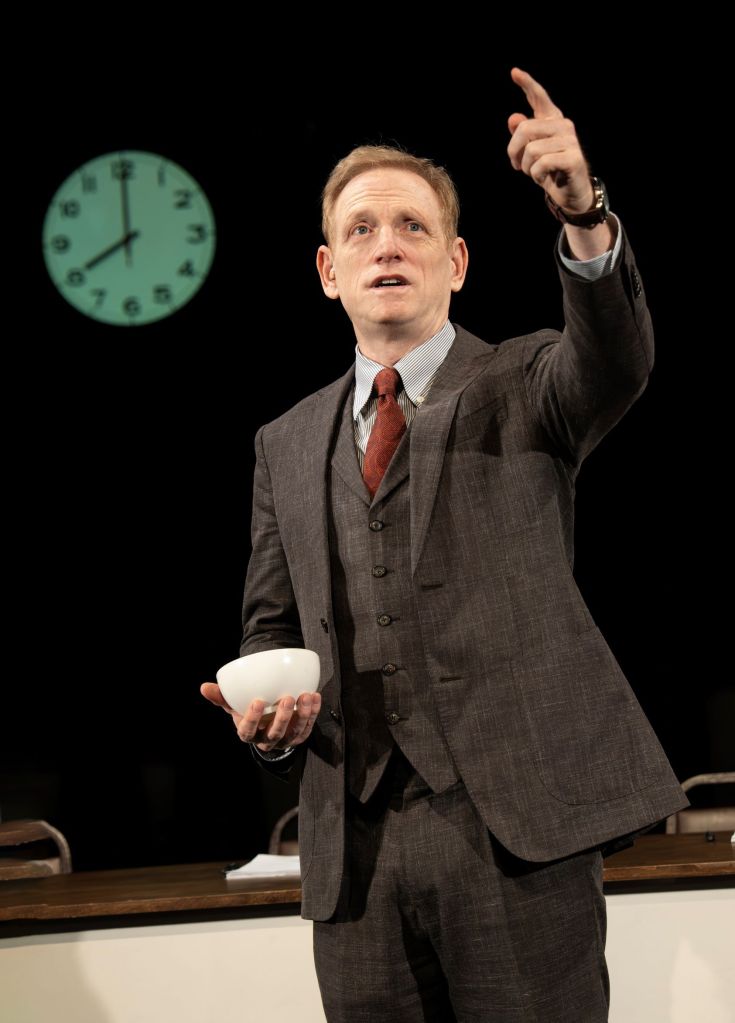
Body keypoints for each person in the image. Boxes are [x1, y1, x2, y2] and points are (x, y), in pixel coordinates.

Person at [202, 66, 688, 1022]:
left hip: (513, 832)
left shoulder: (528, 380)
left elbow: (616, 356)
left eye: (413, 228)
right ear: (327, 270)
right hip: (355, 848)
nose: (388, 246)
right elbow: (269, 627)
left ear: (457, 262)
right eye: (361, 231)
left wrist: (582, 213)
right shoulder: (285, 440)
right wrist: (267, 716)